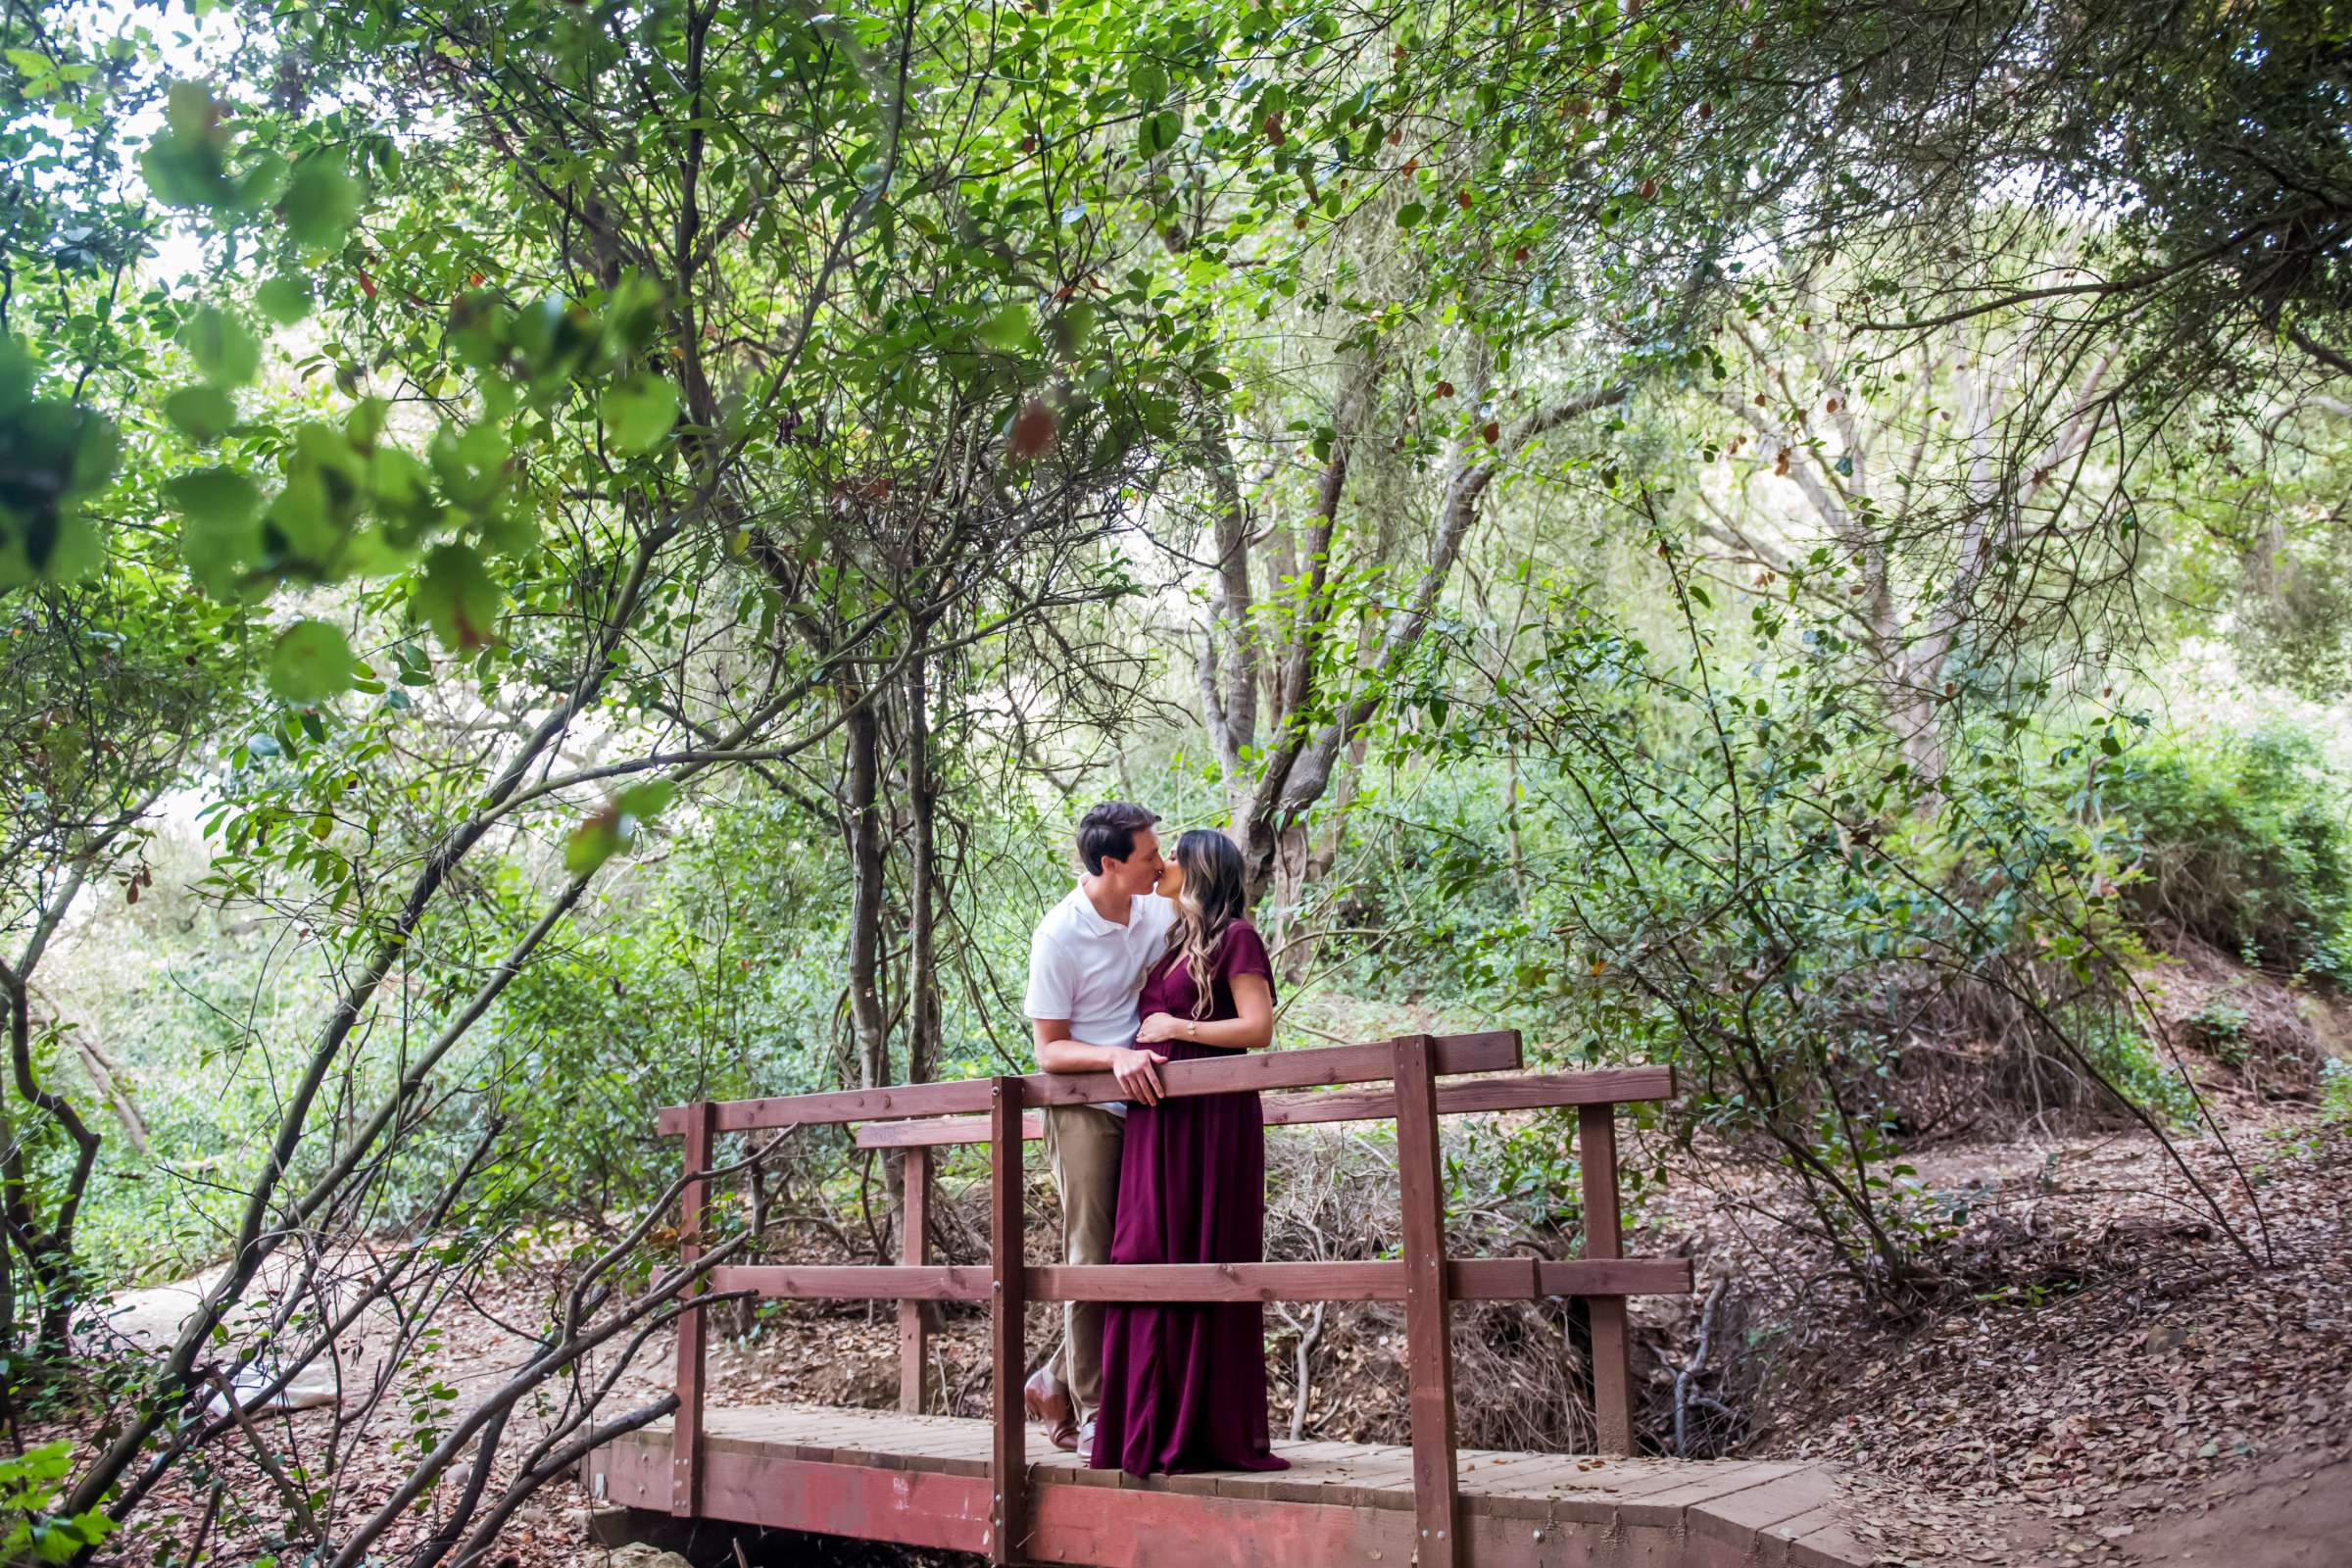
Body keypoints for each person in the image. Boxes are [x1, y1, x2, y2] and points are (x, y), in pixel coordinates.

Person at [1090, 828, 1289, 1477]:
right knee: (1144, 1255)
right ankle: (1141, 1428)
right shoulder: (1174, 940)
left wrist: (1179, 1027)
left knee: (1206, 1255)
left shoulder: (1237, 936)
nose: (1164, 864)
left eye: (1173, 855)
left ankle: (1204, 1429)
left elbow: (1258, 1028)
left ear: (1201, 868)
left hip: (1213, 1120)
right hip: (1160, 1124)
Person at [1021, 801, 1177, 1459]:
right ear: (1111, 864)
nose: (1161, 863)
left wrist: (1176, 885)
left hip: (1153, 1101)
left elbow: (1207, 912)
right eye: (1148, 856)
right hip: (1086, 1101)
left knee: (1142, 1253)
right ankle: (1091, 1411)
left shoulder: (1156, 904)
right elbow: (1048, 1050)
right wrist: (1114, 1055)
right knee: (1093, 1256)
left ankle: (1052, 1379)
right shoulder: (1059, 933)